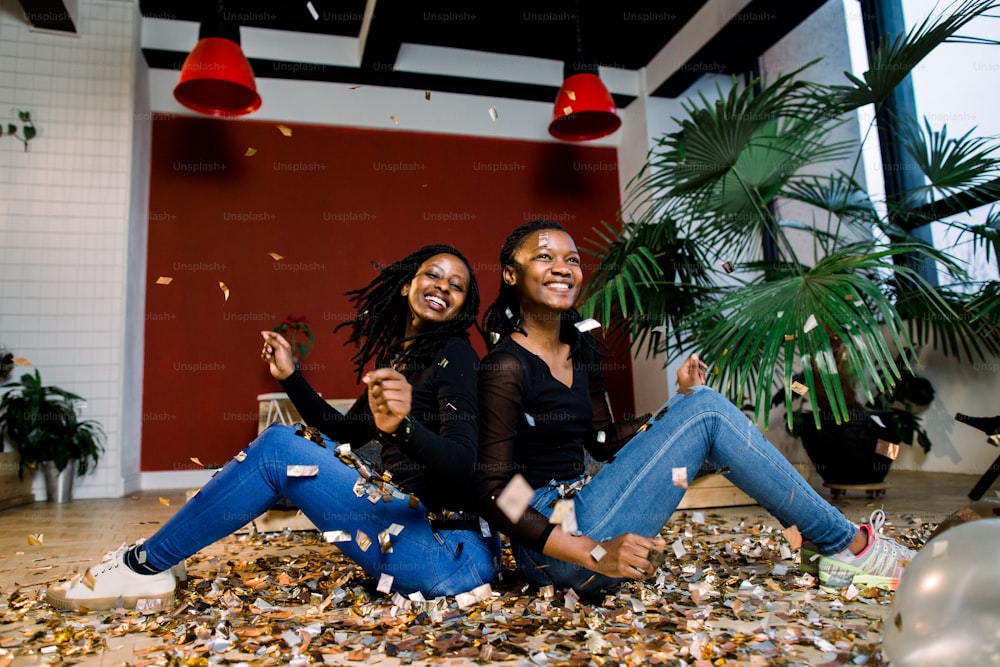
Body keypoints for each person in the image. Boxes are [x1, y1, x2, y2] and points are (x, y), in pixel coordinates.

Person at [475, 219, 917, 597]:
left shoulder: (582, 348)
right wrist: (590, 550)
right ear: (511, 274)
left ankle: (827, 545)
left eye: (572, 260)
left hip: (586, 504)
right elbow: (496, 490)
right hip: (553, 548)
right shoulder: (506, 366)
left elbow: (600, 442)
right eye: (544, 257)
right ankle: (852, 545)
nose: (562, 268)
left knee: (701, 410)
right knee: (705, 411)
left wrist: (674, 409)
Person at [47, 244, 499, 611]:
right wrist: (290, 376)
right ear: (406, 286)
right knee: (305, 442)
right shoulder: (402, 360)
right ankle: (164, 551)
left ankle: (144, 565)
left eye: (456, 285)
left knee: (282, 448)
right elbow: (343, 435)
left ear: (464, 306)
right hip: (420, 534)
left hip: (449, 554)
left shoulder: (455, 356)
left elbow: (463, 464)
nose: (443, 286)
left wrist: (401, 429)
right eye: (432, 275)